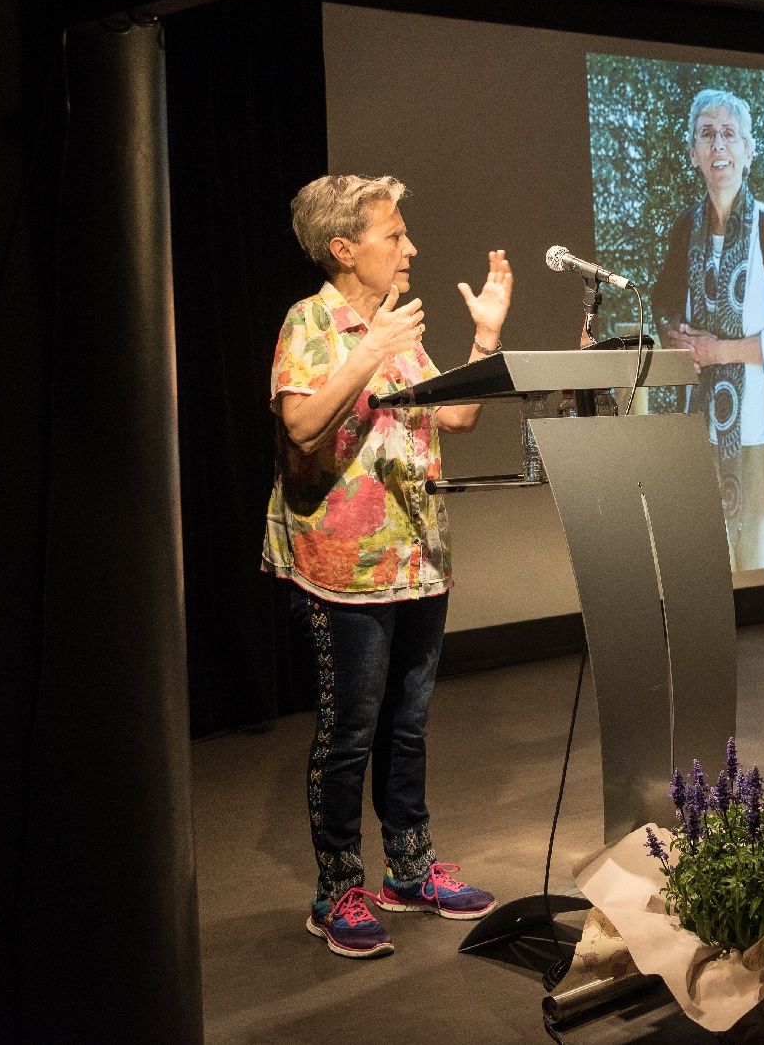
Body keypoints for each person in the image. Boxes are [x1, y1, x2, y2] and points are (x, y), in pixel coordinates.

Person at [262, 174, 513, 959]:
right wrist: (368, 348)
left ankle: (408, 868)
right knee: (350, 731)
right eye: (394, 235)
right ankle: (338, 887)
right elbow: (300, 425)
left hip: (419, 559)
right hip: (345, 568)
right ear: (345, 248)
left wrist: (486, 339)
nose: (410, 248)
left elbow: (458, 415)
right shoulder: (313, 321)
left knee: (407, 726)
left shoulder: (393, 329)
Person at [659, 89, 764, 571]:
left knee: (757, 565)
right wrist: (673, 336)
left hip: (761, 432)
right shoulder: (685, 227)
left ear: (748, 150)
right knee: (707, 566)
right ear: (693, 153)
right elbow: (662, 307)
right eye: (707, 135)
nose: (718, 145)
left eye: (729, 134)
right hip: (700, 433)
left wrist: (717, 350)